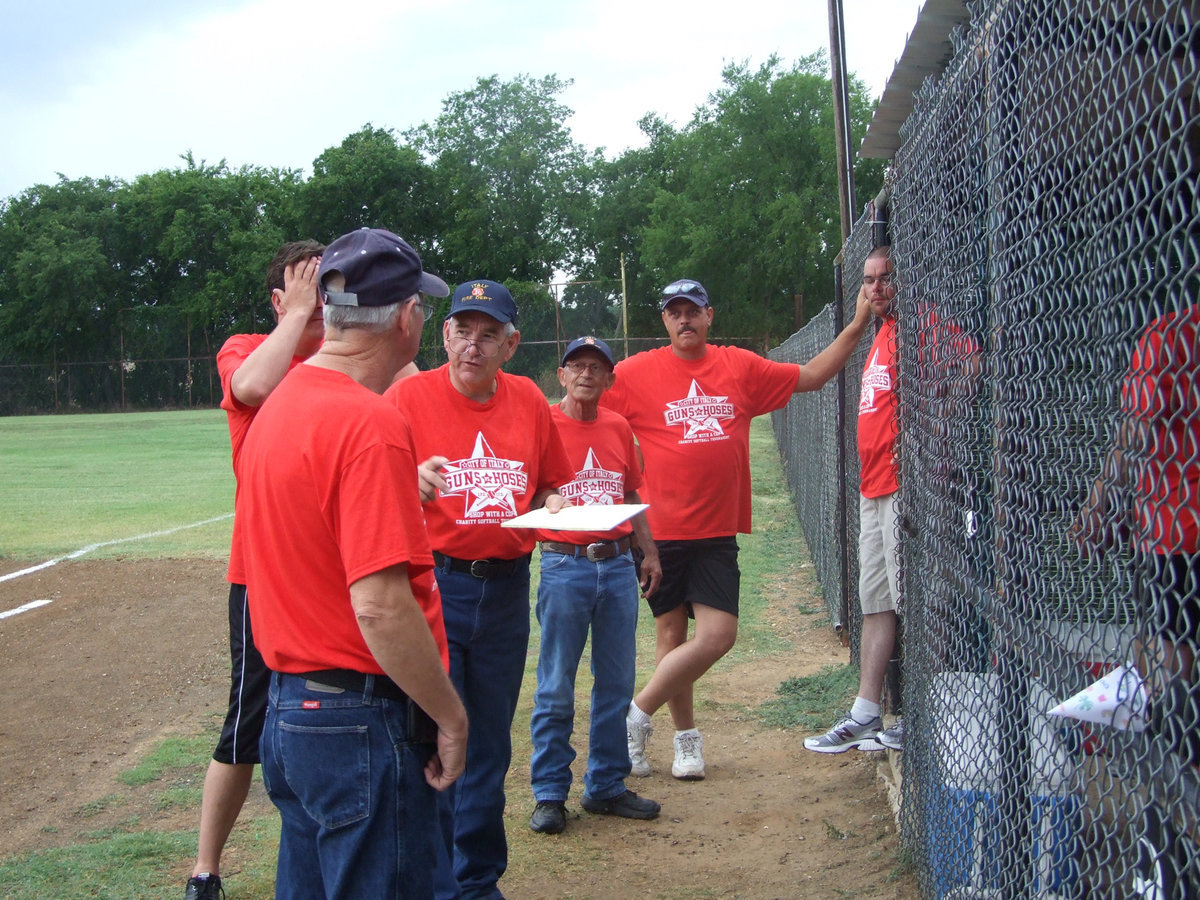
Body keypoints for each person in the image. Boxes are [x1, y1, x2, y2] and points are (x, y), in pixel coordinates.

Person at [237, 227, 468, 898]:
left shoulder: (276, 407)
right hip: (358, 720)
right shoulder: (368, 423)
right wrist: (449, 716)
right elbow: (379, 604)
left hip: (291, 712)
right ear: (405, 317)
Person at [603, 276, 872, 780]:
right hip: (659, 532)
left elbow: (811, 375)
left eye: (693, 311)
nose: (684, 319)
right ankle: (685, 742)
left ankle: (635, 715)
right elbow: (588, 408)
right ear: (664, 320)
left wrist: (857, 323)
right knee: (669, 636)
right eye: (674, 312)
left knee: (718, 635)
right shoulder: (636, 373)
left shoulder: (738, 366)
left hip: (715, 529)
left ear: (709, 316)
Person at [385, 279, 573, 899]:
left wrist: (558, 503)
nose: (473, 344)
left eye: (488, 333)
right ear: (444, 335)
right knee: (437, 735)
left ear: (511, 344)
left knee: (489, 739)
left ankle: (477, 880)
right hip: (434, 584)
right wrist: (406, 477)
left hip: (506, 589)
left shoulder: (526, 402)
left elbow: (548, 486)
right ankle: (437, 881)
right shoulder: (406, 397)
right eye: (462, 330)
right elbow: (369, 481)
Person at [186, 239, 325, 900]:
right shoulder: (246, 348)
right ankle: (205, 868)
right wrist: (295, 318)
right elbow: (252, 387)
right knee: (244, 725)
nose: (326, 307)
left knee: (328, 709)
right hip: (261, 574)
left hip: (328, 574)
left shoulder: (339, 357)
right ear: (280, 299)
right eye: (311, 291)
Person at [528, 336, 663, 835]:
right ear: (561, 375)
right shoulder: (544, 422)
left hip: (617, 564)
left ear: (609, 380)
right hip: (566, 564)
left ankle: (605, 784)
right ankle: (548, 792)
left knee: (616, 681)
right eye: (577, 366)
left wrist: (648, 550)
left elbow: (630, 490)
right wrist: (549, 497)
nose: (587, 374)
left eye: (597, 368)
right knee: (556, 682)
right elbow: (530, 485)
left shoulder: (618, 426)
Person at [805, 246, 907, 753]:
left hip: (905, 487)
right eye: (868, 280)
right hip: (874, 487)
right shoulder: (880, 334)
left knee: (914, 602)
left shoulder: (920, 326)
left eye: (885, 277)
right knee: (876, 603)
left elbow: (968, 367)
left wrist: (933, 439)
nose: (876, 288)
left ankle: (919, 713)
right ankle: (867, 711)